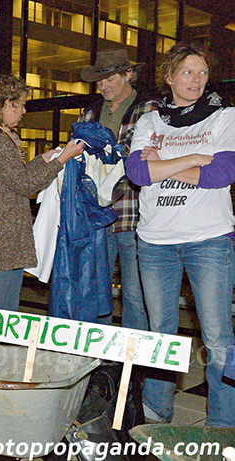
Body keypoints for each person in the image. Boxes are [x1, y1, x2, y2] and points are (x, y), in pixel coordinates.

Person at [125, 42, 235, 427]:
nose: (197, 80)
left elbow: (222, 174)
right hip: (155, 242)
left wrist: (163, 164)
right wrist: (193, 159)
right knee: (161, 335)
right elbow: (138, 174)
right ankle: (156, 410)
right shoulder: (149, 122)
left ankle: (223, 419)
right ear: (169, 77)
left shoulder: (224, 117)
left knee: (219, 336)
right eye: (188, 72)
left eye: (203, 73)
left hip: (209, 238)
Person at [0, 74, 84, 311]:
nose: (24, 110)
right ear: (7, 104)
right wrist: (63, 159)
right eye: (22, 103)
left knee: (5, 314)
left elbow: (13, 178)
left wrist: (44, 160)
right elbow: (25, 184)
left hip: (3, 239)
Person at [78, 49, 153, 329]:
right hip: (97, 218)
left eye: (109, 78)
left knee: (135, 294)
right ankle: (101, 356)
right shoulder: (91, 113)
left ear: (128, 74)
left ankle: (134, 361)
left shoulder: (150, 110)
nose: (104, 86)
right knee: (98, 292)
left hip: (135, 216)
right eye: (100, 81)